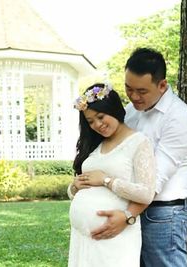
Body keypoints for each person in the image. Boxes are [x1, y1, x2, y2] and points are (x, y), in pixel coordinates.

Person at [90, 48, 187, 267]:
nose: (134, 96)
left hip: (163, 214)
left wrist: (128, 215)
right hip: (130, 208)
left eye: (141, 91)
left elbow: (154, 181)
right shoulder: (131, 111)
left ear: (162, 85)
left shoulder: (179, 118)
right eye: (129, 88)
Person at [67, 83, 156, 267]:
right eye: (90, 121)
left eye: (100, 117)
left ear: (114, 109)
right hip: (82, 239)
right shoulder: (96, 144)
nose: (97, 125)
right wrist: (74, 187)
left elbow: (147, 193)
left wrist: (107, 181)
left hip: (115, 237)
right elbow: (76, 191)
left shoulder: (138, 143)